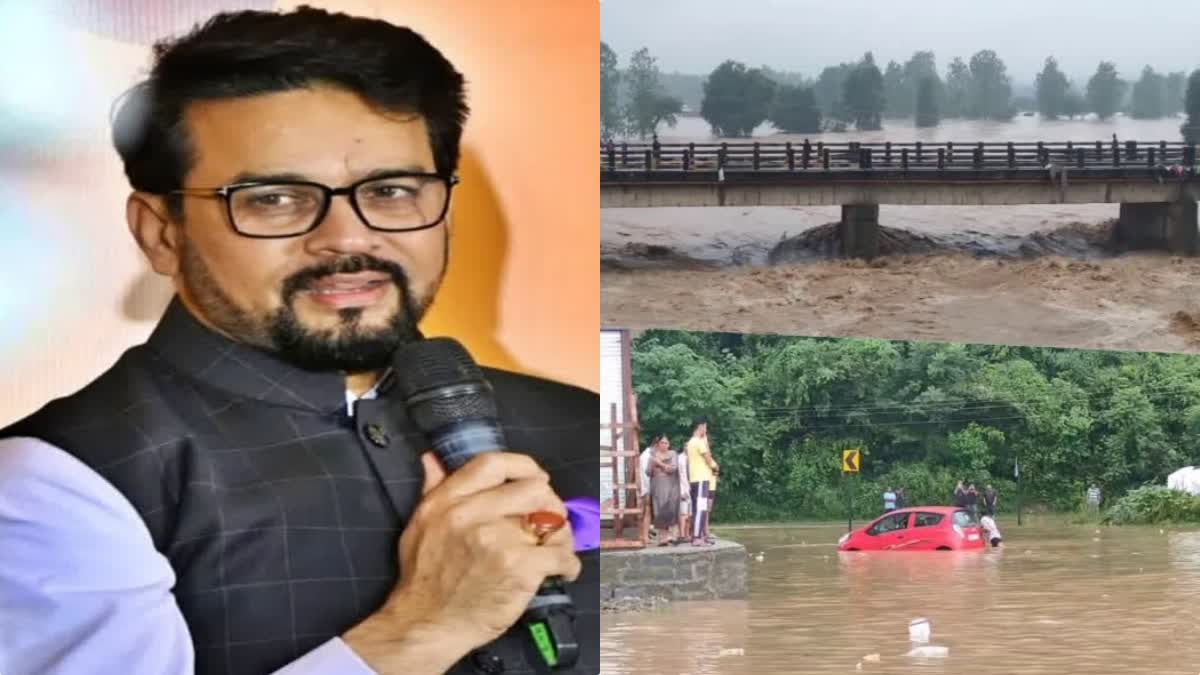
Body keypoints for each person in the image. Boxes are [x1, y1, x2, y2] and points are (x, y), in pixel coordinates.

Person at [0, 8, 597, 675]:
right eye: (275, 199)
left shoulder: (582, 424)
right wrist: (421, 628)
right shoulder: (61, 483)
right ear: (160, 232)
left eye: (393, 190)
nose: (347, 237)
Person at [686, 417, 718, 547]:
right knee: (700, 508)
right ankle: (697, 537)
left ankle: (700, 536)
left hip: (696, 479)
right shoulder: (698, 442)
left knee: (699, 508)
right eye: (706, 427)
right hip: (700, 479)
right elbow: (709, 459)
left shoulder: (691, 442)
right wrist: (715, 468)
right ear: (701, 427)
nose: (706, 430)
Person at [648, 434, 681, 545]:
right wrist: (653, 464)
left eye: (666, 443)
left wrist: (660, 464)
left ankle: (671, 536)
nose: (664, 445)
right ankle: (662, 538)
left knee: (669, 509)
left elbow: (672, 468)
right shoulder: (653, 456)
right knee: (659, 510)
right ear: (658, 444)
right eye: (662, 443)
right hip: (657, 486)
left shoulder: (672, 454)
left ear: (669, 444)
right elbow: (648, 472)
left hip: (670, 486)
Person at [639, 435, 657, 543]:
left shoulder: (648, 455)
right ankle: (644, 536)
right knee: (646, 512)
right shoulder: (647, 456)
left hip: (645, 487)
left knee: (646, 512)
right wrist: (648, 492)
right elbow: (646, 474)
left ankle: (645, 535)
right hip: (645, 488)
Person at [676, 443, 691, 543]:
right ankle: (681, 534)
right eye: (686, 446)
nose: (687, 448)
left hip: (692, 487)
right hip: (682, 487)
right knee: (683, 512)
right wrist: (680, 490)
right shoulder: (679, 458)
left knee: (690, 514)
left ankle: (687, 534)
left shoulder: (693, 457)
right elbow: (678, 476)